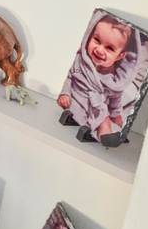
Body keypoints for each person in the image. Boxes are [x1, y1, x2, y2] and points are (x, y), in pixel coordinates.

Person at [57, 14, 139, 145]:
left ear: (120, 56)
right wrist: (65, 93)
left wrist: (116, 114)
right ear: (90, 36)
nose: (100, 50)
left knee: (103, 118)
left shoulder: (114, 79)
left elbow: (115, 98)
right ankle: (96, 128)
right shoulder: (80, 61)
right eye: (97, 40)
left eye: (109, 48)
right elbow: (70, 78)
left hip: (96, 108)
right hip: (76, 101)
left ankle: (105, 137)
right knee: (96, 115)